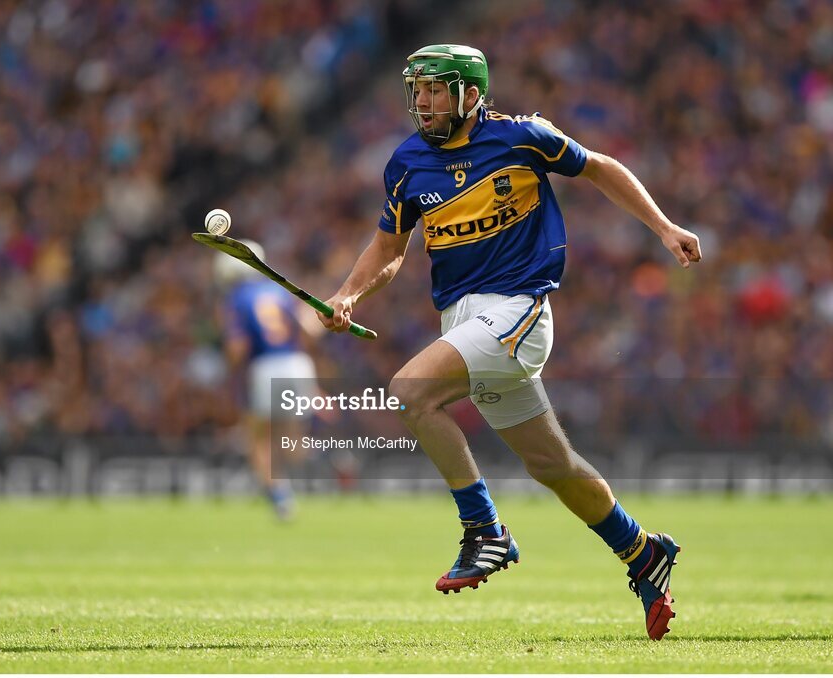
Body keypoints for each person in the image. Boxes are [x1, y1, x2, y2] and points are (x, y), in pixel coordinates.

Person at [317, 44, 701, 640]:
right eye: (416, 88)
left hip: (517, 313)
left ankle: (485, 529)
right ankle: (643, 552)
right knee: (552, 464)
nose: (422, 100)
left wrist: (665, 227)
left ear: (470, 94)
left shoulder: (522, 136)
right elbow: (390, 251)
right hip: (465, 323)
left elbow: (599, 166)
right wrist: (348, 295)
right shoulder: (406, 163)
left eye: (436, 89)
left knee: (411, 392)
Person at [215, 241, 320, 520]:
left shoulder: (237, 298)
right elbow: (310, 329)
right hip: (297, 362)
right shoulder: (280, 290)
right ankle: (334, 464)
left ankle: (280, 498)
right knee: (291, 438)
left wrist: (230, 373)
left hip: (265, 367)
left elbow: (238, 347)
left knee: (258, 437)